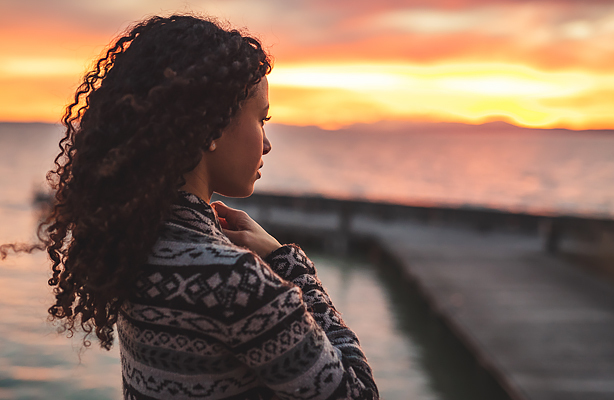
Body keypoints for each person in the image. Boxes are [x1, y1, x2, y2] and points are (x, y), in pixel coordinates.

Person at [21, 14, 379, 400]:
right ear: (211, 126)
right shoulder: (237, 282)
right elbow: (358, 393)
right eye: (262, 119)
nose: (268, 144)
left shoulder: (133, 246)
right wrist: (285, 261)